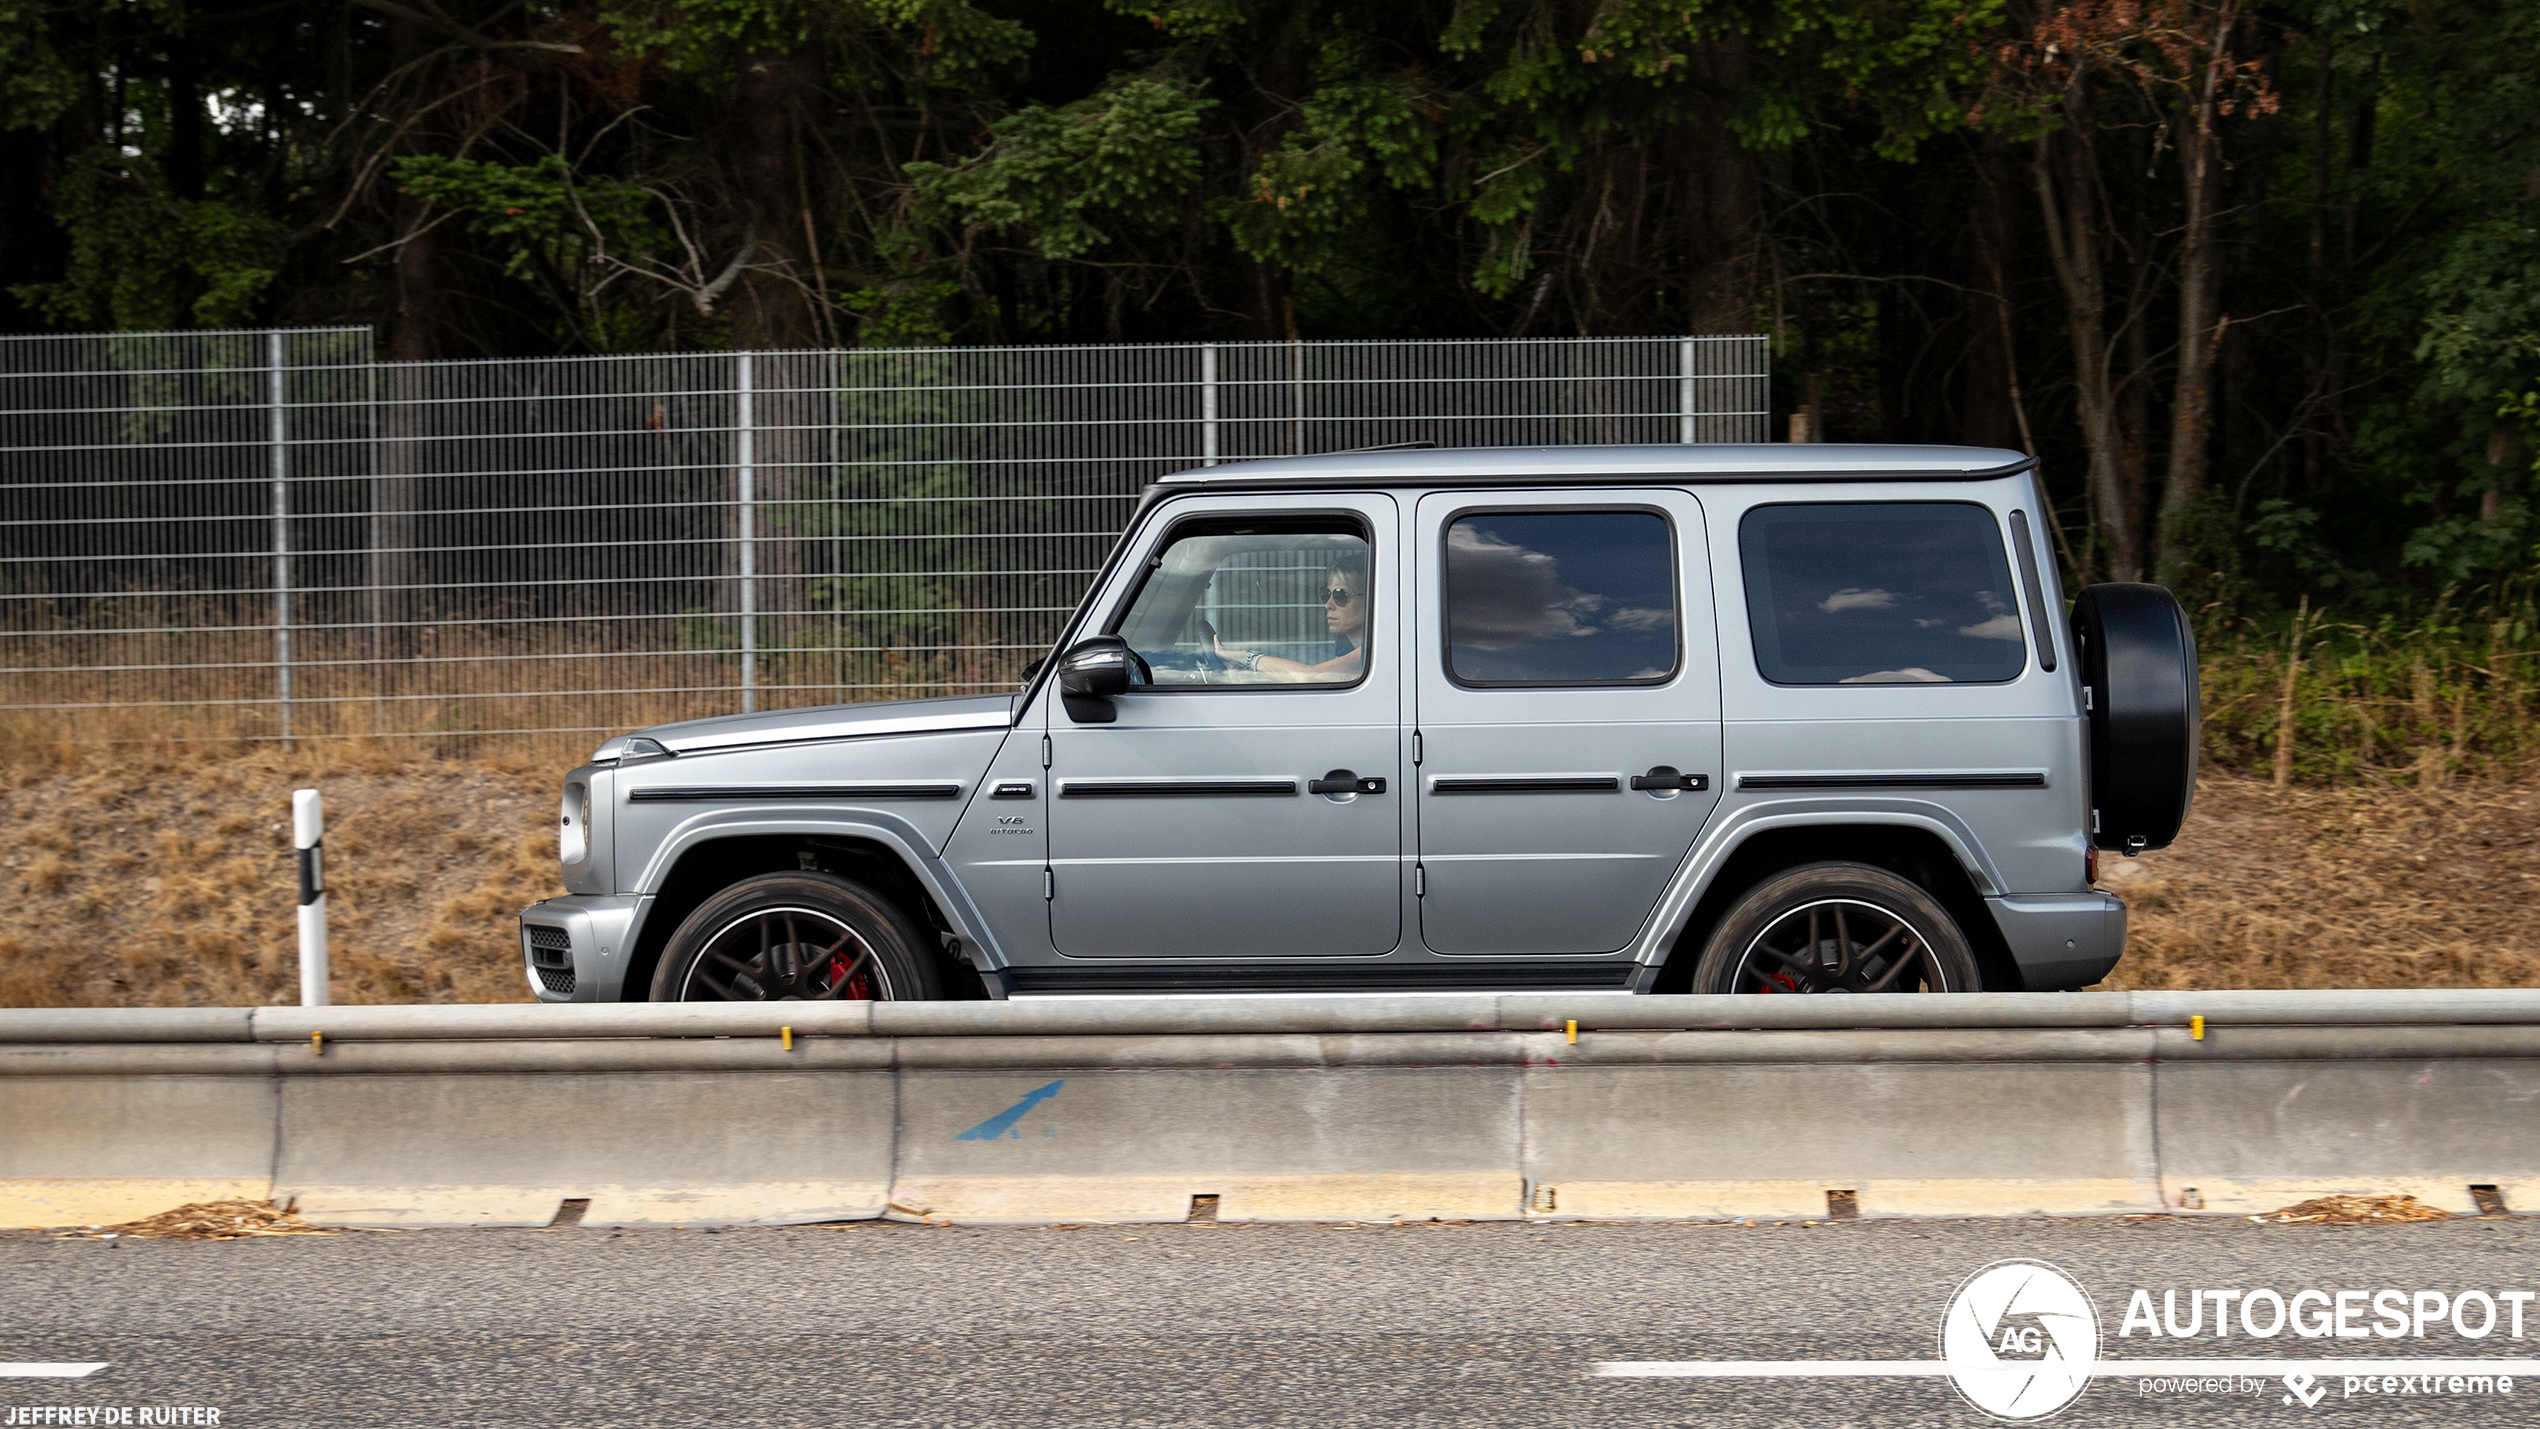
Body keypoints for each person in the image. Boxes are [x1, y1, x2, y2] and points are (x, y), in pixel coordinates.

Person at [1211, 560, 1366, 682]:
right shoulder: (1346, 648)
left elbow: (1309, 677)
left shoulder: (1370, 651)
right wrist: (1233, 675)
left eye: (1340, 595)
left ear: (1369, 600)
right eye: (1326, 594)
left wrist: (1247, 658)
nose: (1328, 604)